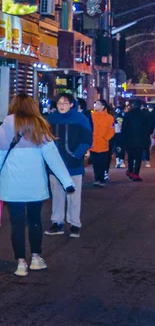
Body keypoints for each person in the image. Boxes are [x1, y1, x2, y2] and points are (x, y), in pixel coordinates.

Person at [0, 94, 74, 277]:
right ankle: (36, 258)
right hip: (35, 184)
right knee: (35, 221)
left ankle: (20, 263)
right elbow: (53, 158)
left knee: (17, 224)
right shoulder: (40, 126)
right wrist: (67, 182)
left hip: (12, 184)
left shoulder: (5, 128)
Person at [46, 93, 92, 238]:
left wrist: (76, 155)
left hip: (73, 164)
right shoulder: (51, 119)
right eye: (59, 103)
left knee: (74, 195)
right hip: (54, 164)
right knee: (57, 195)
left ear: (72, 104)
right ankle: (57, 222)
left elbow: (87, 140)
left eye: (65, 103)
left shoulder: (81, 118)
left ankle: (74, 224)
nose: (62, 105)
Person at [122, 100, 153, 181]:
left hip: (129, 139)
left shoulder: (127, 115)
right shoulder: (144, 115)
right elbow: (149, 127)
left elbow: (124, 128)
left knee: (130, 156)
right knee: (138, 157)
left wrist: (124, 137)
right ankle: (136, 174)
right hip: (141, 139)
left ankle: (130, 171)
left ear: (132, 105)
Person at [90, 99, 115, 187]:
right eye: (95, 104)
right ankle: (97, 179)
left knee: (102, 162)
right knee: (95, 163)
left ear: (103, 106)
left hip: (103, 144)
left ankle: (101, 179)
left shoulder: (109, 118)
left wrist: (105, 138)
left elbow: (112, 131)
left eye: (98, 104)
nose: (95, 106)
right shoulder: (91, 116)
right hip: (93, 144)